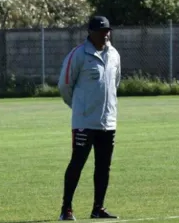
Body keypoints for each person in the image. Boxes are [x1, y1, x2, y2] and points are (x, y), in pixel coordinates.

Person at [57, 16, 121, 221]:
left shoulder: (114, 54)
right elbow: (64, 85)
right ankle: (66, 209)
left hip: (108, 121)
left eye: (108, 31)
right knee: (77, 163)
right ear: (91, 33)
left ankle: (98, 208)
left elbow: (115, 83)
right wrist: (78, 108)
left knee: (104, 166)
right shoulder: (78, 55)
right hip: (84, 122)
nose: (106, 34)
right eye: (102, 31)